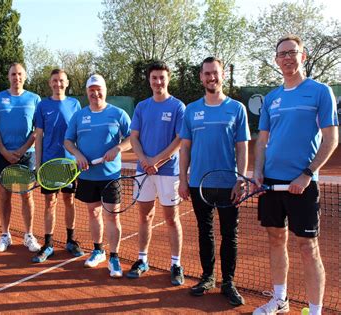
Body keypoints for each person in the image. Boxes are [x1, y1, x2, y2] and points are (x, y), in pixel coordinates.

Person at [252, 35, 338, 315]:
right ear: (276, 61)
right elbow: (262, 141)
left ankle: (315, 311)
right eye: (281, 54)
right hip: (271, 184)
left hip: (303, 182)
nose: (287, 57)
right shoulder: (272, 98)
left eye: (292, 52)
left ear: (303, 56)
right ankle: (280, 300)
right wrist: (258, 172)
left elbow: (330, 139)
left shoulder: (320, 91)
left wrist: (307, 174)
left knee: (307, 247)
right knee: (276, 240)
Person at [178, 57, 250, 306]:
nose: (211, 77)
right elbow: (185, 148)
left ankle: (228, 282)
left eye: (215, 73)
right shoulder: (190, 110)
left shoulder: (236, 108)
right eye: (207, 73)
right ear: (201, 77)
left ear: (222, 75)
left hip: (228, 184)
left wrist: (241, 179)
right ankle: (207, 277)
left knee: (230, 235)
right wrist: (182, 180)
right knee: (204, 232)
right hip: (199, 183)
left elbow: (242, 148)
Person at [64, 74, 131, 278]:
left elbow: (132, 138)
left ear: (105, 90)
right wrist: (77, 154)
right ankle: (98, 250)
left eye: (98, 89)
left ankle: (114, 257)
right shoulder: (79, 116)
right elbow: (68, 141)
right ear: (87, 93)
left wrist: (118, 148)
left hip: (110, 175)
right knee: (93, 213)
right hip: (87, 176)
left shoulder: (118, 114)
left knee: (112, 216)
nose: (95, 93)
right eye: (91, 90)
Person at [127, 61, 185, 286]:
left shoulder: (178, 107)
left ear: (168, 79)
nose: (158, 82)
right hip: (144, 171)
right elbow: (134, 137)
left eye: (162, 77)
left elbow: (179, 140)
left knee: (171, 219)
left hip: (168, 172)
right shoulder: (142, 107)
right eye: (154, 78)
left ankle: (176, 264)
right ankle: (142, 260)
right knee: (145, 217)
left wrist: (156, 160)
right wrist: (144, 161)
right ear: (149, 80)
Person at [31, 69, 84, 263]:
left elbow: (80, 133)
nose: (58, 84)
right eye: (55, 81)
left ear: (67, 83)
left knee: (69, 201)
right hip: (49, 164)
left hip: (69, 164)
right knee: (50, 203)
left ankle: (71, 241)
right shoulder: (42, 105)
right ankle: (49, 244)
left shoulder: (75, 104)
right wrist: (38, 164)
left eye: (61, 81)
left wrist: (79, 158)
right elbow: (38, 137)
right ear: (50, 83)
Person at [0, 63, 41, 253]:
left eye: (20, 74)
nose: (16, 77)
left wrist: (21, 150)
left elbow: (37, 130)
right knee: (4, 196)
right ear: (8, 76)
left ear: (25, 77)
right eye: (13, 74)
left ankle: (28, 235)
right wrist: (3, 150)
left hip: (26, 154)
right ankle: (5, 234)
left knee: (27, 195)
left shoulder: (34, 99)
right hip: (2, 154)